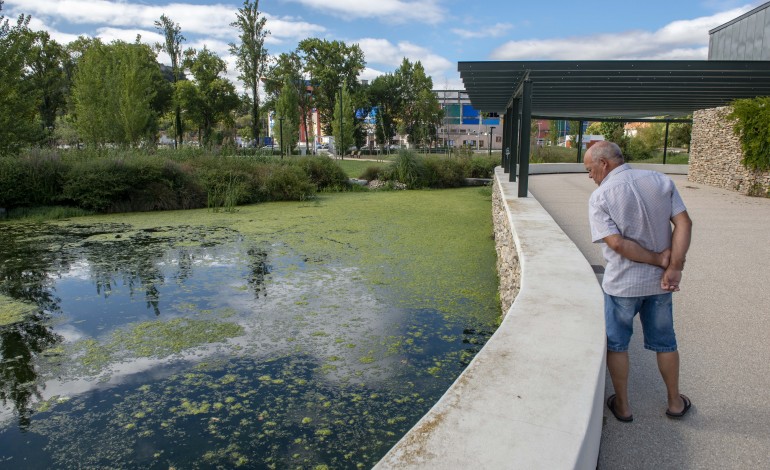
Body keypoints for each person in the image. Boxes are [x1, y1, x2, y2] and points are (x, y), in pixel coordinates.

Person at [584, 141, 693, 422]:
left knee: (618, 345)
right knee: (665, 343)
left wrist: (659, 260)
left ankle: (623, 407)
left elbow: (617, 243)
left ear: (604, 164)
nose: (589, 175)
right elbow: (684, 223)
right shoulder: (659, 180)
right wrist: (674, 266)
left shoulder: (601, 197)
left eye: (590, 169)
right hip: (659, 284)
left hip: (622, 284)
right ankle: (675, 403)